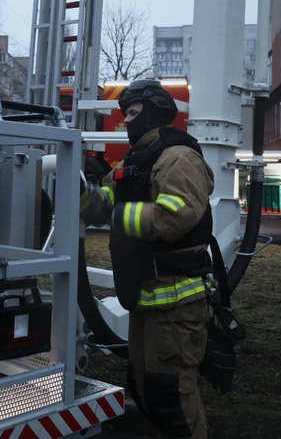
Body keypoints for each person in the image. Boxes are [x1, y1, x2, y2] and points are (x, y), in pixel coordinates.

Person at [80, 79, 215, 438]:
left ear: (154, 114)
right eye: (125, 114)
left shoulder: (178, 158)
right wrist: (83, 194)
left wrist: (116, 215)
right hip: (145, 296)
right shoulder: (133, 162)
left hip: (176, 304)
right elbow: (102, 202)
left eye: (134, 112)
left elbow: (176, 216)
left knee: (171, 394)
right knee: (144, 387)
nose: (127, 120)